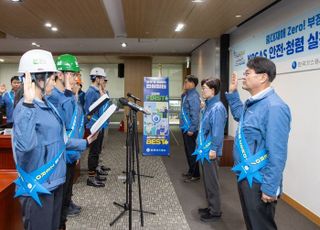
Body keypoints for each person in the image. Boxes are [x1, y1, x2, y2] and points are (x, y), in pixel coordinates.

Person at [12, 49, 98, 230]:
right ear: (37, 79)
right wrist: (28, 104)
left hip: (56, 181)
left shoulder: (48, 105)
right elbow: (24, 147)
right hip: (39, 185)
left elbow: (61, 139)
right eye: (51, 77)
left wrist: (86, 142)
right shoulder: (24, 109)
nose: (54, 81)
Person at [226, 57, 291, 230]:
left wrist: (270, 187)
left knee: (261, 225)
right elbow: (241, 117)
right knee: (252, 222)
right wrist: (233, 94)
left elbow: (277, 152)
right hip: (246, 174)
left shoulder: (274, 107)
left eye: (247, 73)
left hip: (259, 180)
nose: (243, 77)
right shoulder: (254, 103)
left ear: (262, 77)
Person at [50, 54, 85, 229]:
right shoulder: (54, 99)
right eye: (71, 74)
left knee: (64, 206)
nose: (74, 78)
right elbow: (61, 132)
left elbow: (75, 126)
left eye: (74, 74)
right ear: (60, 74)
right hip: (60, 160)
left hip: (70, 156)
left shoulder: (69, 96)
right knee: (58, 210)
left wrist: (76, 153)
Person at [196, 78, 227, 222]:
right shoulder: (209, 105)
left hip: (211, 151)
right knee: (208, 181)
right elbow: (205, 126)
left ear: (213, 91)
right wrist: (203, 108)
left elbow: (218, 131)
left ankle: (215, 211)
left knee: (212, 182)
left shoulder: (218, 108)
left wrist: (214, 149)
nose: (202, 90)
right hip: (205, 149)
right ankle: (210, 206)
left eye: (204, 88)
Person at [84, 67, 109, 187]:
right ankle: (91, 177)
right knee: (93, 152)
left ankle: (95, 172)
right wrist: (94, 126)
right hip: (94, 126)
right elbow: (88, 112)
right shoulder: (90, 92)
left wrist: (102, 91)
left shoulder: (98, 91)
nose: (104, 80)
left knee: (97, 151)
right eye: (103, 78)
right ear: (97, 78)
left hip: (100, 125)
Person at [180, 75, 201, 182]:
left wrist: (192, 129)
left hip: (190, 129)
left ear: (192, 83)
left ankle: (195, 174)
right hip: (185, 127)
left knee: (192, 152)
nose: (184, 83)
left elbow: (195, 114)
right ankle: (190, 171)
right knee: (188, 151)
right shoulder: (186, 95)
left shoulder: (193, 97)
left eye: (186, 82)